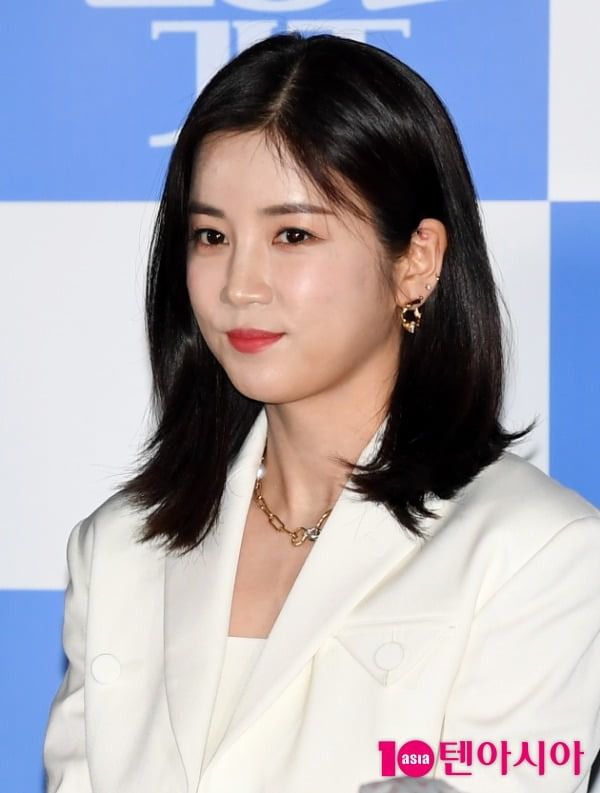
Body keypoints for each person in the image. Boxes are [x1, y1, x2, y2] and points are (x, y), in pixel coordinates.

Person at [43, 30, 600, 793]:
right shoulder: (116, 549)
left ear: (416, 261)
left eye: (293, 234)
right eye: (211, 235)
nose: (240, 284)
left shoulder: (536, 552)